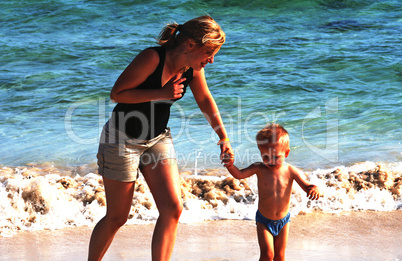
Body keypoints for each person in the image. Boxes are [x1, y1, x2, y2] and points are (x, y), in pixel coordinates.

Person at [88, 15, 233, 261]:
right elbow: (118, 94)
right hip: (121, 139)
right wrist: (161, 92)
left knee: (172, 209)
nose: (211, 60)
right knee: (117, 216)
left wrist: (223, 136)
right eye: (209, 53)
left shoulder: (192, 69)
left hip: (157, 138)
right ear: (189, 45)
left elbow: (205, 100)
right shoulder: (152, 58)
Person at [223, 124, 320, 261]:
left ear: (286, 153)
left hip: (284, 220)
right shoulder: (259, 168)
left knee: (280, 257)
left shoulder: (291, 171)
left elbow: (307, 185)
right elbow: (239, 174)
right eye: (265, 157)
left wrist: (314, 188)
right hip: (264, 220)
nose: (270, 161)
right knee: (267, 255)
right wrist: (230, 165)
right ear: (260, 152)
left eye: (275, 157)